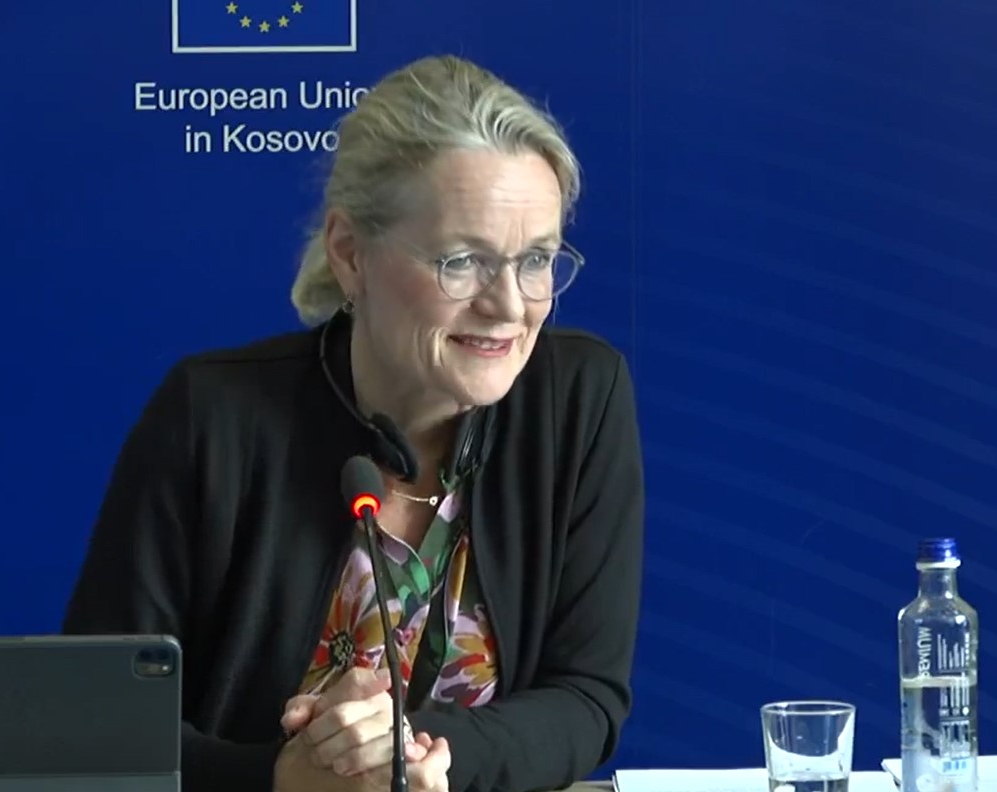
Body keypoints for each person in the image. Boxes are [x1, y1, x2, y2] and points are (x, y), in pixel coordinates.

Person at [61, 54, 645, 792]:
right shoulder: (210, 417)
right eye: (462, 260)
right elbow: (97, 721)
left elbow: (586, 697)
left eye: (536, 260)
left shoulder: (578, 397)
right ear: (350, 254)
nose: (508, 305)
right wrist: (282, 777)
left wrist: (421, 754)